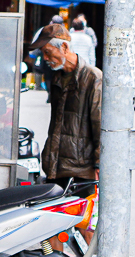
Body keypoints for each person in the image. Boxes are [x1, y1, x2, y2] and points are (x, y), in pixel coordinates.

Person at [41, 27, 101, 184]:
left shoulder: (93, 77)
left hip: (81, 170)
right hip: (55, 166)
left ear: (64, 47)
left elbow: (99, 124)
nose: (45, 58)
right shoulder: (56, 77)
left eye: (47, 52)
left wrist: (99, 164)